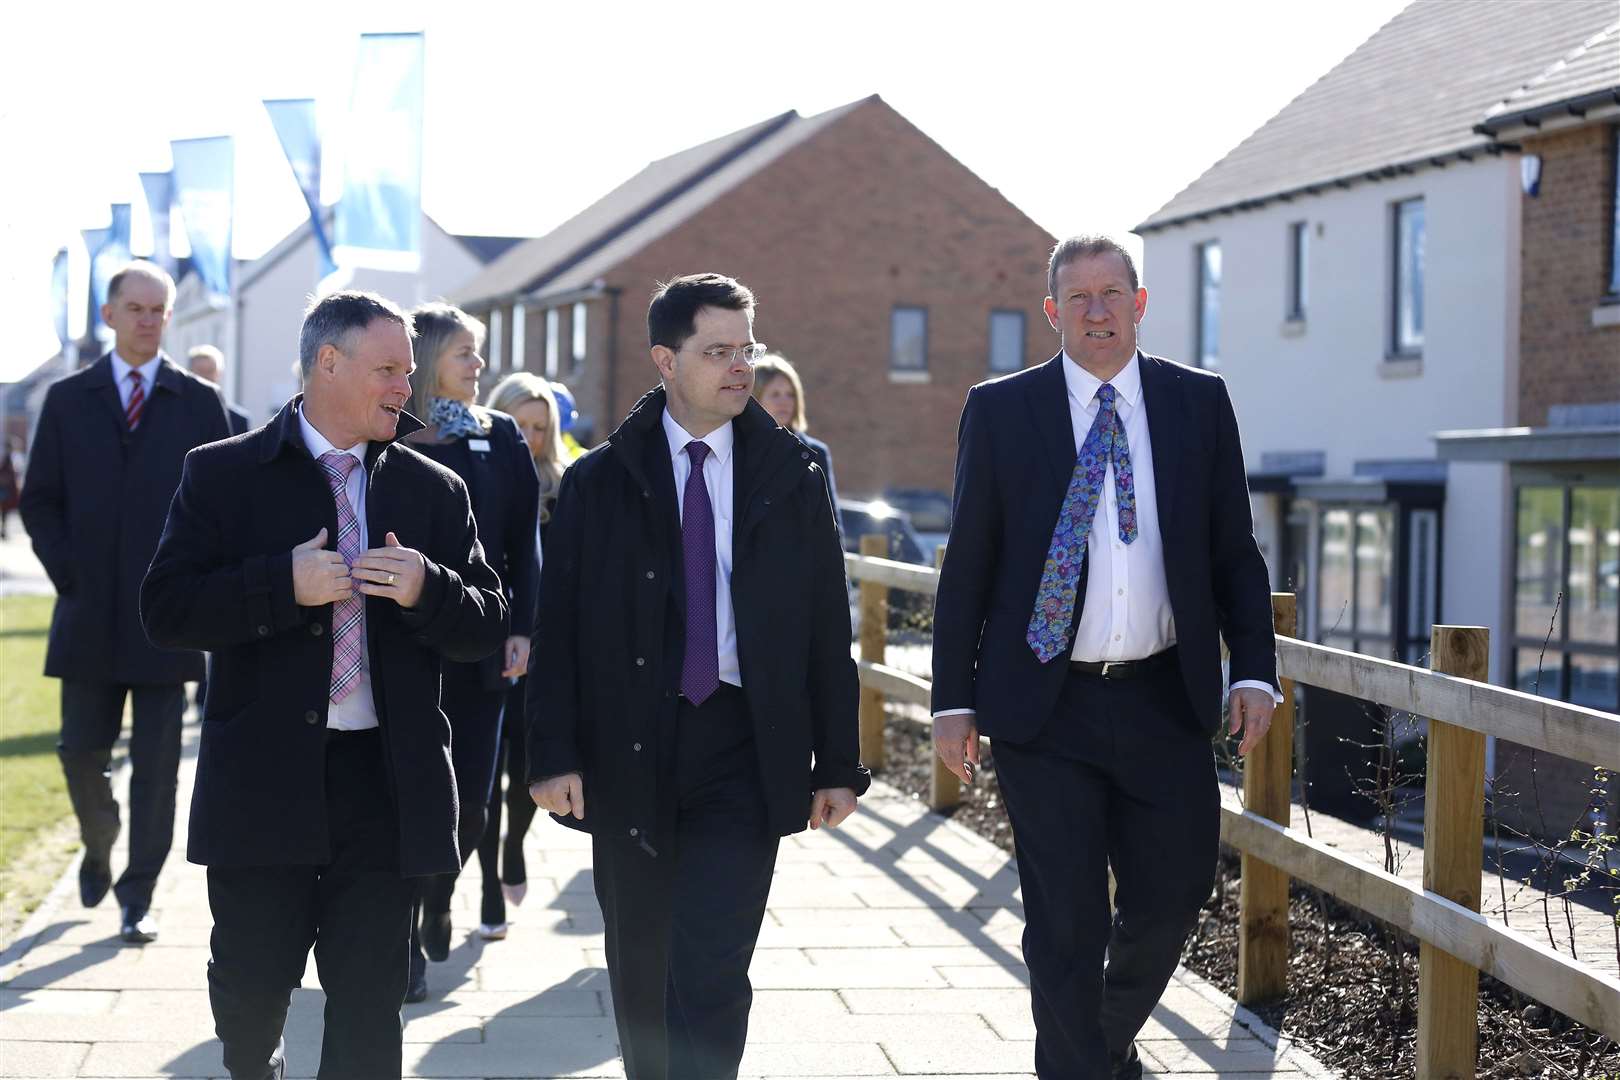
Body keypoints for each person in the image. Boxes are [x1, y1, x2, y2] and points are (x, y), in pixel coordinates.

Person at [930, 235, 1280, 1080]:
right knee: (1065, 919)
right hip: (1044, 707)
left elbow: (1236, 549)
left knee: (1177, 890)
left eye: (1111, 294)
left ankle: (1092, 1048)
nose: (1096, 311)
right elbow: (969, 560)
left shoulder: (1197, 402)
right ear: (1052, 312)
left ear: (1140, 302)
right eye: (1076, 298)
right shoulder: (1002, 410)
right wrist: (951, 699)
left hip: (1166, 695)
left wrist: (1255, 669)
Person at [140, 290, 508, 1080]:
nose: (406, 388)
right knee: (248, 997)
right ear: (327, 364)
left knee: (371, 1008)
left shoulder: (434, 489)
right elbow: (166, 611)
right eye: (388, 370)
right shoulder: (223, 474)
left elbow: (486, 623)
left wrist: (428, 588)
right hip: (262, 785)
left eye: (409, 371)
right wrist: (281, 584)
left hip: (385, 786)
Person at [527, 273, 868, 1080]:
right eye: (716, 351)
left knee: (714, 967)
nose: (739, 367)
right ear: (664, 360)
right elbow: (560, 630)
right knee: (642, 968)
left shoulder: (794, 476)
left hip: (744, 750)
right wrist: (551, 755)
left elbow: (828, 627)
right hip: (628, 748)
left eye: (744, 349)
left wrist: (838, 763)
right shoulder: (597, 482)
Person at [20, 260, 231, 944]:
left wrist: (199, 585)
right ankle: (99, 836)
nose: (148, 320)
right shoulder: (69, 398)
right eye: (135, 308)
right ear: (109, 316)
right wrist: (69, 574)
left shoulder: (198, 403)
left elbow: (222, 508)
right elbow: (41, 500)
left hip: (168, 621)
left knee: (160, 773)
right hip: (86, 612)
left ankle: (137, 893)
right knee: (81, 752)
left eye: (159, 310)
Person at [400, 302, 540, 1001]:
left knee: (472, 807)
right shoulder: (388, 433)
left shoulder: (503, 437)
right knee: (404, 797)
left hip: (484, 648)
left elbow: (524, 544)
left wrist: (523, 628)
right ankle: (402, 942)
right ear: (427, 359)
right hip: (404, 651)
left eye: (479, 353)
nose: (478, 366)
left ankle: (438, 894)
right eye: (464, 353)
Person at [476, 371, 570, 940]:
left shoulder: (565, 487)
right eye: (521, 425)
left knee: (529, 770)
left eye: (540, 428)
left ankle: (514, 844)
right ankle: (489, 883)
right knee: (486, 778)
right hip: (487, 644)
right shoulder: (479, 475)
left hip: (548, 653)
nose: (531, 438)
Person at [751, 354, 839, 514]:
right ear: (755, 399)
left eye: (790, 394)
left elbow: (831, 518)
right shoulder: (739, 448)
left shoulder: (815, 453)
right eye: (775, 394)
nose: (784, 401)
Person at [187, 345, 253, 435]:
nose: (205, 378)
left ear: (219, 374)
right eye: (200, 371)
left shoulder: (238, 421)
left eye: (210, 371)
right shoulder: (175, 414)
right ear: (188, 373)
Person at [0, 435, 21, 539]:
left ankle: (4, 531)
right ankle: (3, 531)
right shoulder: (7, 458)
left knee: (5, 512)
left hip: (7, 489)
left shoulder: (10, 458)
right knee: (4, 511)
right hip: (6, 489)